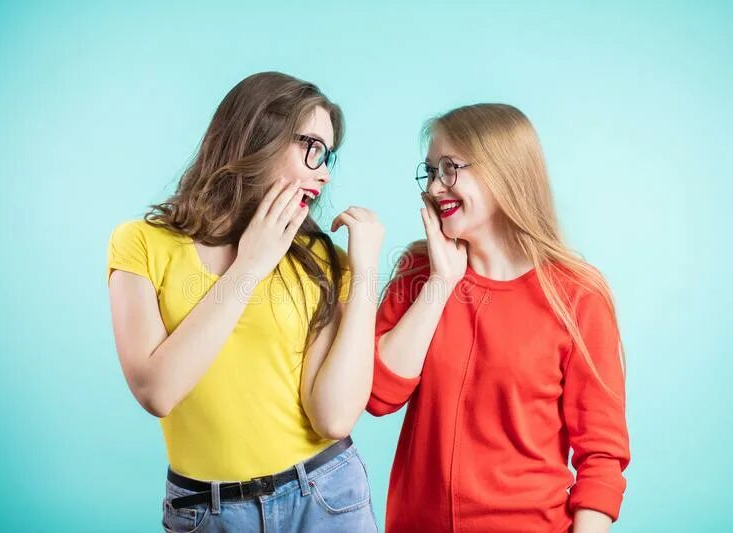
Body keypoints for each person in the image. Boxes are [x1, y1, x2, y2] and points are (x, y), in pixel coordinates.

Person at [107, 71, 383, 532]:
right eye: (312, 147)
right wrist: (250, 266)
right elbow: (158, 392)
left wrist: (365, 269)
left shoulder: (322, 261)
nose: (324, 171)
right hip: (207, 512)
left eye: (328, 154)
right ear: (259, 133)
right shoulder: (141, 243)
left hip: (324, 498)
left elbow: (334, 417)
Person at [367, 103, 630, 532]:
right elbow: (378, 394)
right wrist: (440, 283)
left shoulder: (578, 295)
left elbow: (601, 456)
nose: (435, 188)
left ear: (503, 171)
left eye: (450, 169)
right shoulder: (418, 271)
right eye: (431, 171)